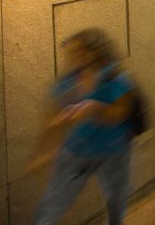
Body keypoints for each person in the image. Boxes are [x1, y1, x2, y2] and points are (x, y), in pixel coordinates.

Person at [33, 29, 137, 225]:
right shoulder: (68, 81)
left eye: (77, 52)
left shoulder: (112, 76)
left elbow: (122, 112)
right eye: (70, 53)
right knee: (51, 207)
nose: (71, 58)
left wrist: (93, 109)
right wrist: (42, 150)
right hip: (75, 151)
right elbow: (51, 114)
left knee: (116, 201)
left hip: (113, 151)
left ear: (92, 52)